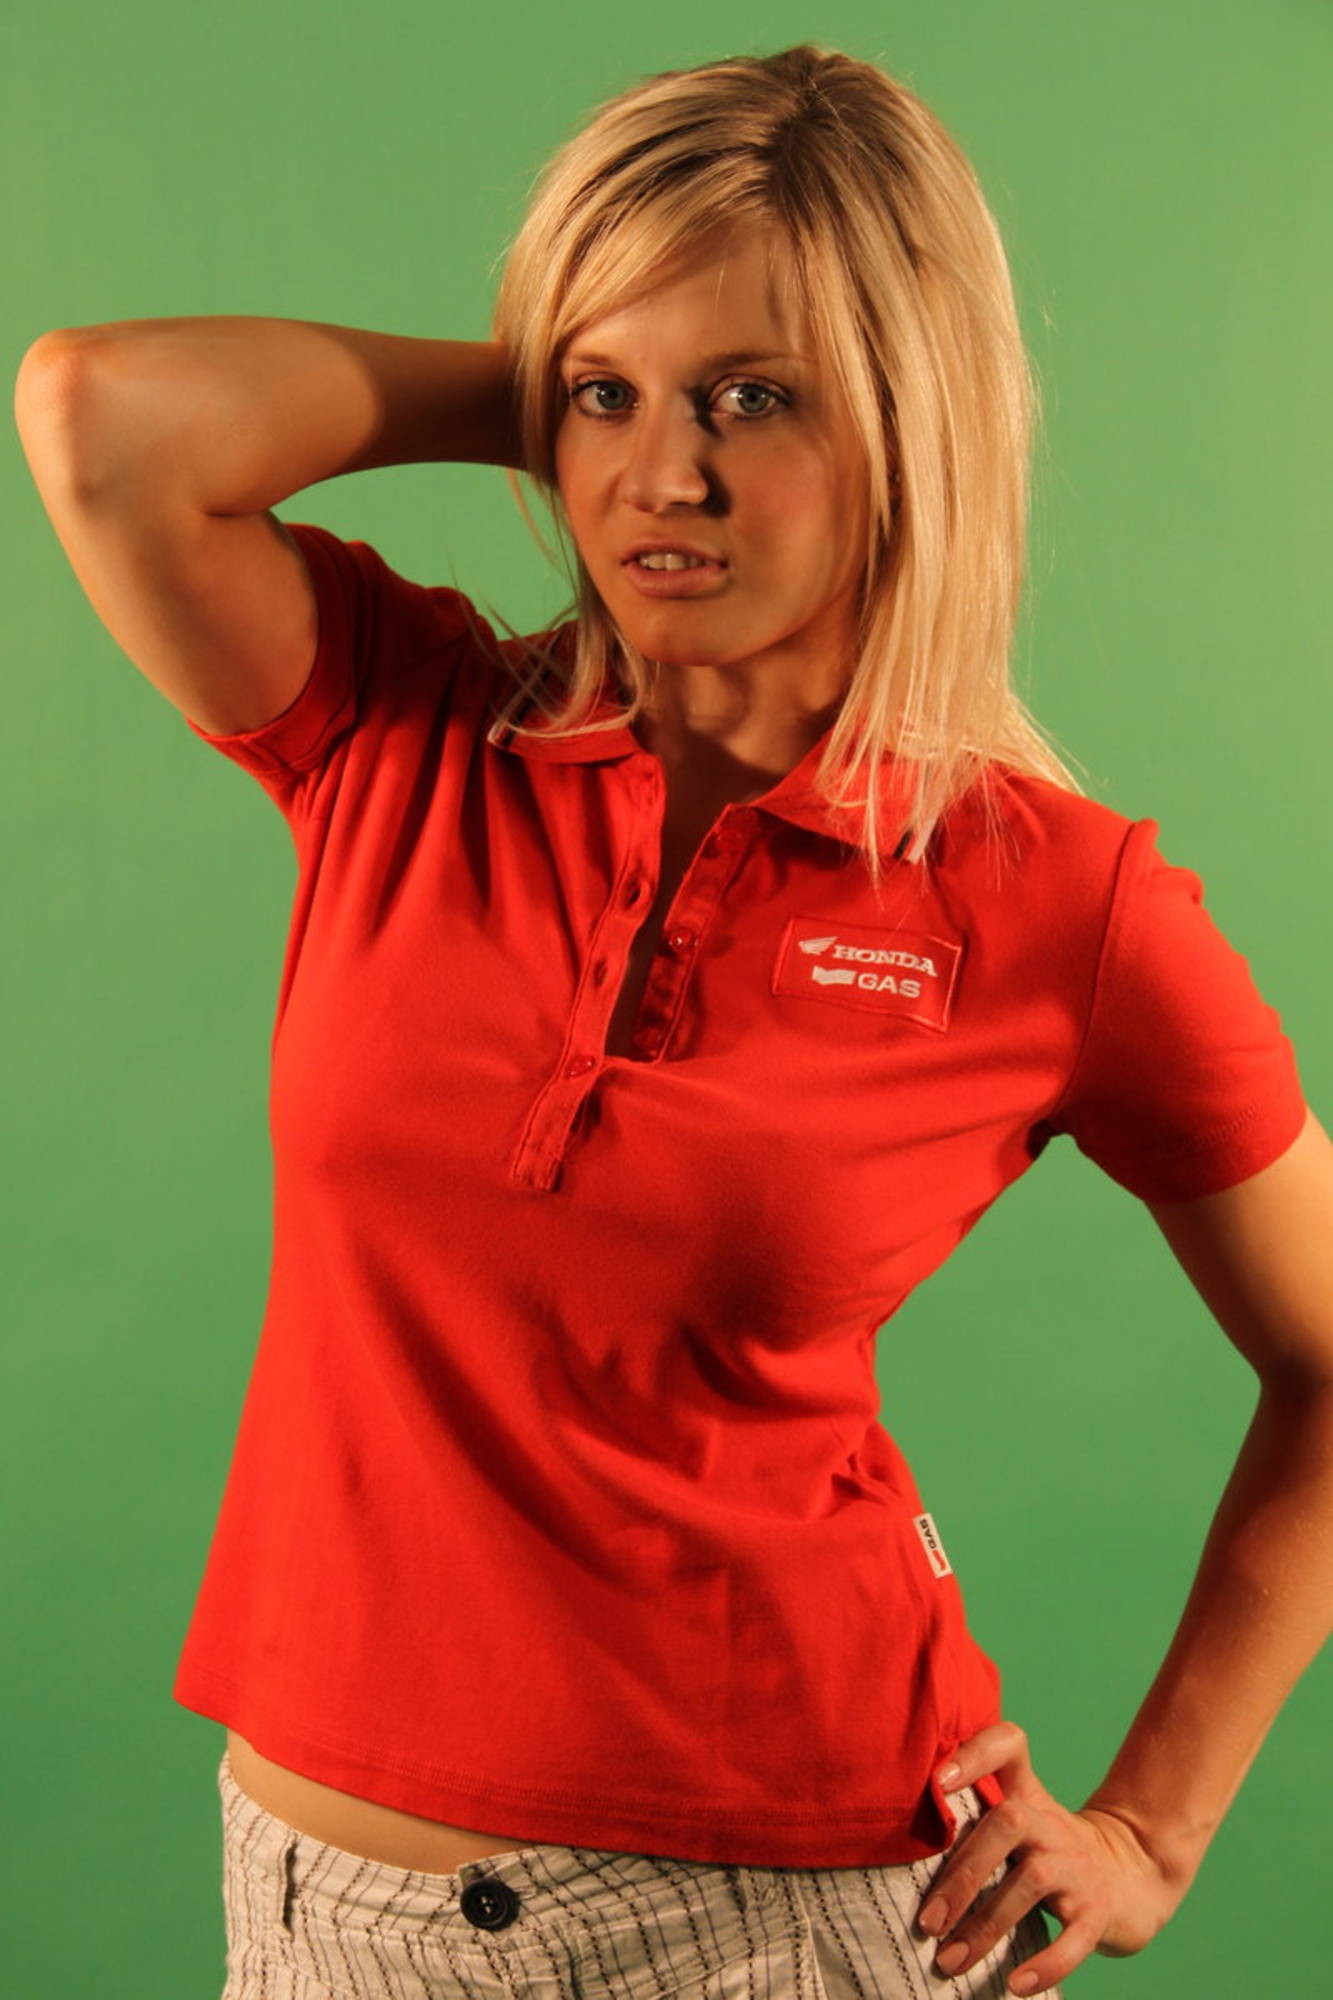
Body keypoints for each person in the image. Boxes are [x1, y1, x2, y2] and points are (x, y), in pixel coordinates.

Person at [15, 40, 1331, 2000]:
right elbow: (98, 420)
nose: (667, 479)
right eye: (608, 397)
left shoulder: (1059, 900)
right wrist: (556, 376)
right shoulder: (398, 728)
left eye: (756, 398)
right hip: (314, 1909)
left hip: (776, 1923)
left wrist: (1150, 1830)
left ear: (909, 419)